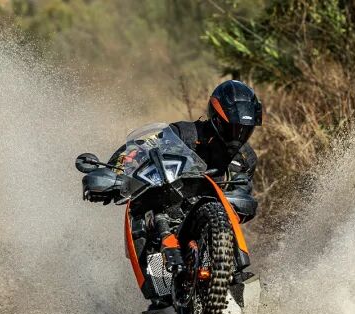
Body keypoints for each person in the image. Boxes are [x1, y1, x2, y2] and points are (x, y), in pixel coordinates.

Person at [107, 80, 262, 222]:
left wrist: (243, 203)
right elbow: (138, 148)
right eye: (232, 128)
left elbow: (243, 199)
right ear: (216, 118)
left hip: (212, 223)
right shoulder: (183, 133)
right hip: (161, 210)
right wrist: (114, 175)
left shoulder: (246, 158)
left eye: (245, 130)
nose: (238, 136)